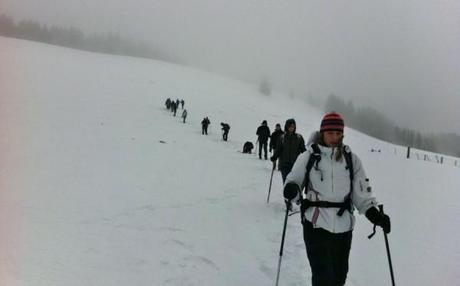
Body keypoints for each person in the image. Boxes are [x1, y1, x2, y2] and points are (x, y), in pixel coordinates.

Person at [283, 112, 391, 286]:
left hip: (344, 229)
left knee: (339, 279)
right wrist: (291, 190)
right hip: (315, 226)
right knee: (322, 278)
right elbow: (293, 181)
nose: (334, 137)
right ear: (322, 133)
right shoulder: (309, 157)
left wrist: (375, 214)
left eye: (338, 133)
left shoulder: (352, 160)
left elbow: (362, 194)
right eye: (330, 133)